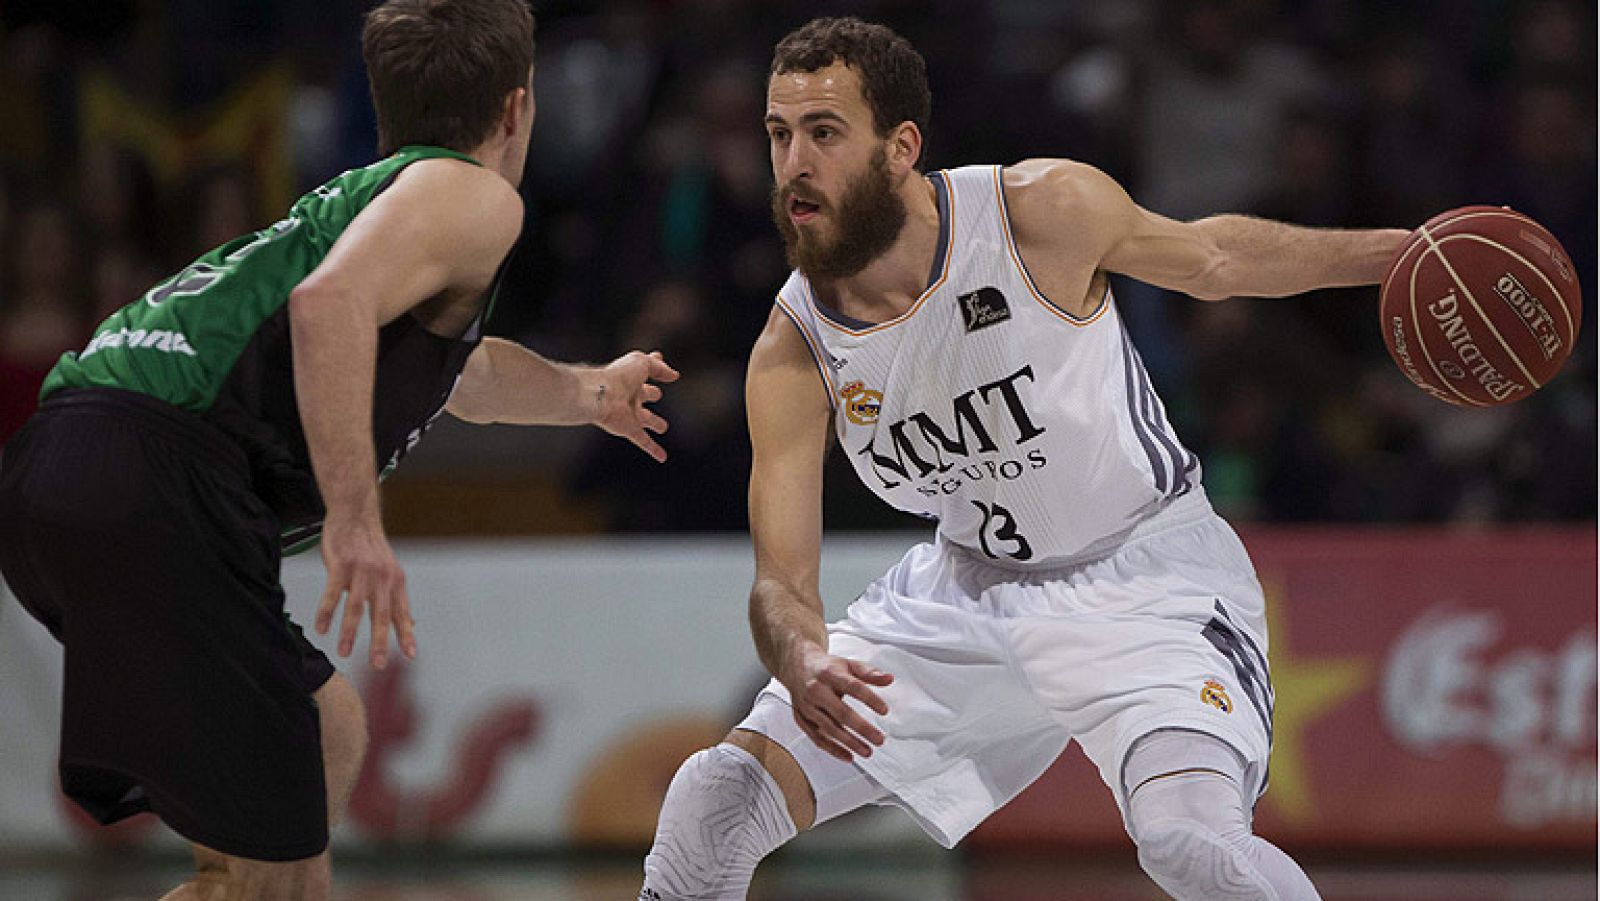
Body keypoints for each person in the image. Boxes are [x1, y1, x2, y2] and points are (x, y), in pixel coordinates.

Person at [639, 17, 1410, 901]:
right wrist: (802, 656)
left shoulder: (1035, 212)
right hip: (965, 595)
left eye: (823, 133)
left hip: (1146, 581)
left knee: (1193, 847)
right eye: (778, 135)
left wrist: (1400, 253)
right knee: (716, 796)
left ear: (900, 149)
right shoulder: (791, 352)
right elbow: (782, 583)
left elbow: (1216, 259)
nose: (793, 165)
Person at [0, 1, 677, 898]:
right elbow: (331, 309)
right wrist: (355, 521)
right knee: (306, 786)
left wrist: (590, 393)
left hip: (58, 471)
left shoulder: (373, 204)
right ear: (516, 109)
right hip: (155, 471)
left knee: (292, 796)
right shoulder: (472, 195)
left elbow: (455, 374)